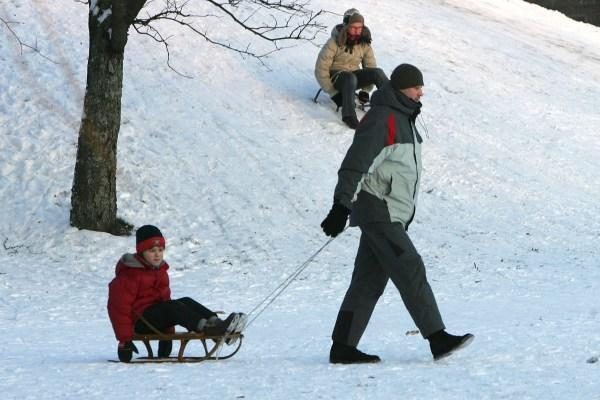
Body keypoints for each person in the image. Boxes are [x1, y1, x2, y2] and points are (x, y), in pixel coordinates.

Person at [320, 64, 474, 363]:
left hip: (390, 212)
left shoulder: (405, 119)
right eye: (416, 87)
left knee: (368, 281)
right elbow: (356, 162)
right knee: (409, 265)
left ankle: (343, 347)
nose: (421, 92)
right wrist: (341, 205)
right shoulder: (383, 119)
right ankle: (437, 337)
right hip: (379, 209)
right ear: (402, 88)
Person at [107, 224, 247, 362]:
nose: (157, 254)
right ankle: (208, 329)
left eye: (160, 250)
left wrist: (166, 339)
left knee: (185, 301)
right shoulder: (129, 276)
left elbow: (165, 304)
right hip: (140, 323)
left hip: (155, 319)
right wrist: (124, 341)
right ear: (141, 252)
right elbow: (118, 309)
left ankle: (218, 325)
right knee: (173, 306)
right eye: (152, 250)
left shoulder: (160, 272)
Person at [314, 8, 388, 129]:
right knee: (349, 78)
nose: (357, 31)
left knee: (377, 72)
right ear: (346, 26)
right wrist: (333, 93)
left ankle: (394, 103)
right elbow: (320, 69)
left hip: (353, 77)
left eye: (360, 28)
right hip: (337, 77)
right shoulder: (334, 42)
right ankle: (349, 116)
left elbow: (370, 66)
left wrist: (365, 90)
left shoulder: (364, 43)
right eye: (353, 27)